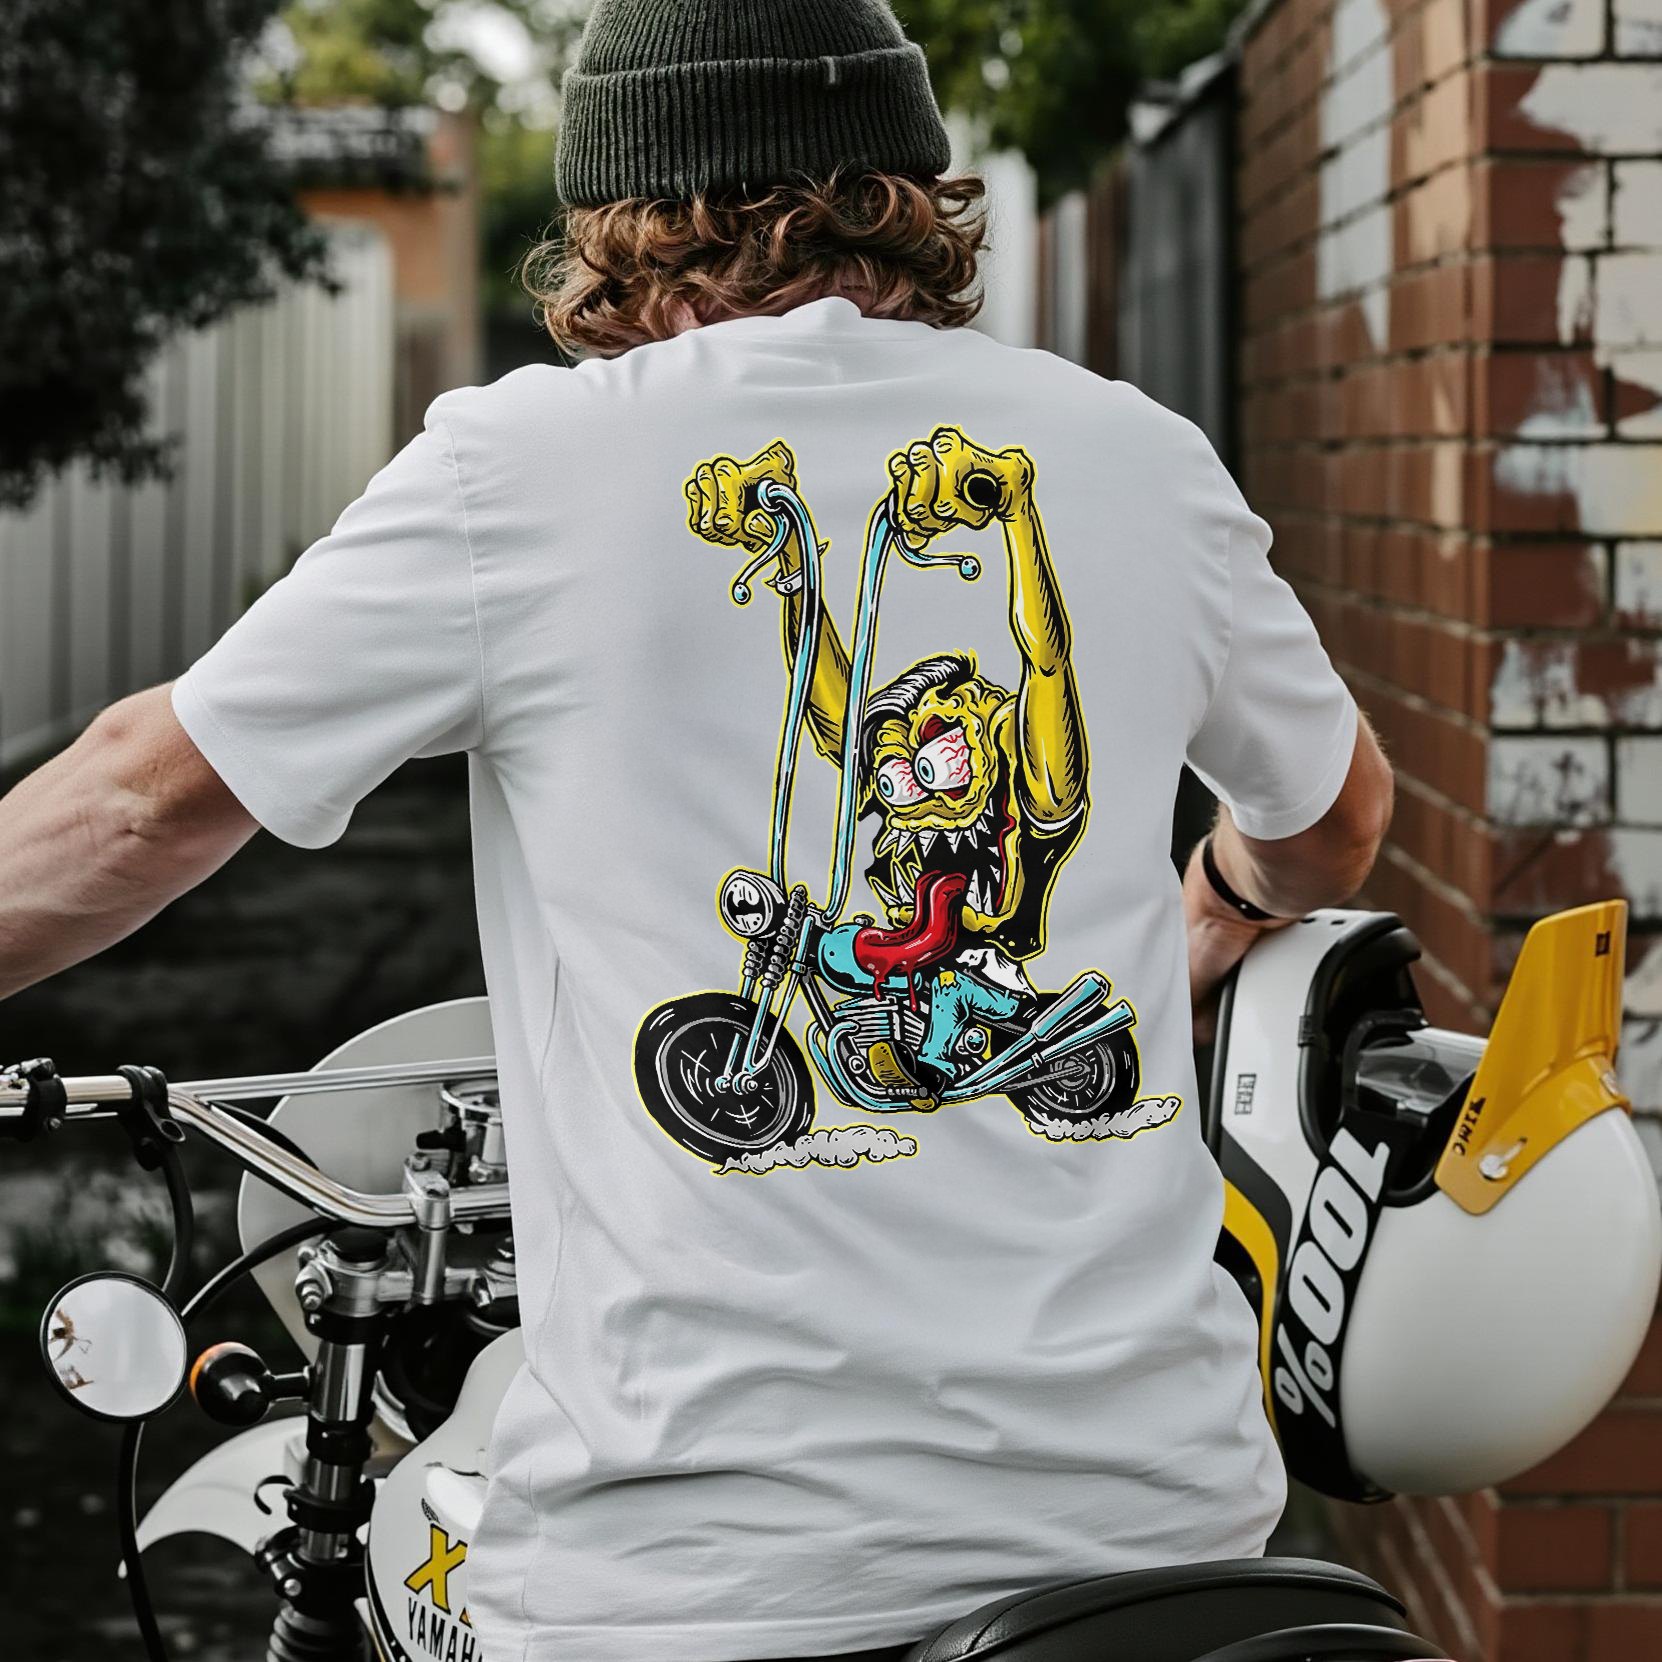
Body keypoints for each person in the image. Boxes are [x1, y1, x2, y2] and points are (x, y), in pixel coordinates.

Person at [0, 3, 1393, 1658]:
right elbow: (1332, 819)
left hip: (699, 1578)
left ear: (622, 220)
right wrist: (1216, 900)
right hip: (1159, 1542)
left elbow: (139, 797)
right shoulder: (1138, 453)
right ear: (909, 193)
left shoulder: (519, 466)